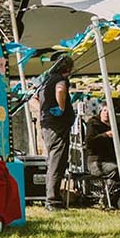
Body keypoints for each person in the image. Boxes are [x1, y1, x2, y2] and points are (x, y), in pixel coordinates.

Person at [38, 55, 74, 211]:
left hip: (47, 126)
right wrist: (61, 108)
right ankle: (52, 201)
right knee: (57, 162)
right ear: (68, 68)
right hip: (57, 127)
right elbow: (60, 89)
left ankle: (53, 198)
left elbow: (34, 99)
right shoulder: (60, 79)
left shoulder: (45, 80)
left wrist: (43, 113)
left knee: (54, 161)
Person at [86, 99, 120, 206]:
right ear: (100, 111)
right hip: (97, 163)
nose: (106, 114)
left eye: (109, 111)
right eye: (104, 110)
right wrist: (106, 135)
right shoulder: (93, 124)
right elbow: (90, 143)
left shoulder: (116, 126)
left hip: (113, 160)